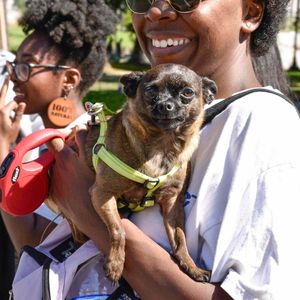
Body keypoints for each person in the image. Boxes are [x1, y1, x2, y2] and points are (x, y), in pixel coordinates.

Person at [12, 0, 300, 299]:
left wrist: (89, 210)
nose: (154, 11)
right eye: (142, 0)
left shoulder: (262, 124)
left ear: (250, 13)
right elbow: (40, 244)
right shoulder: (152, 125)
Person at [0, 0, 117, 254]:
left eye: (26, 67)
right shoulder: (37, 142)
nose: (14, 78)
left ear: (69, 79)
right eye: (13, 66)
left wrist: (1, 145)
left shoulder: (84, 146)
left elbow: (30, 242)